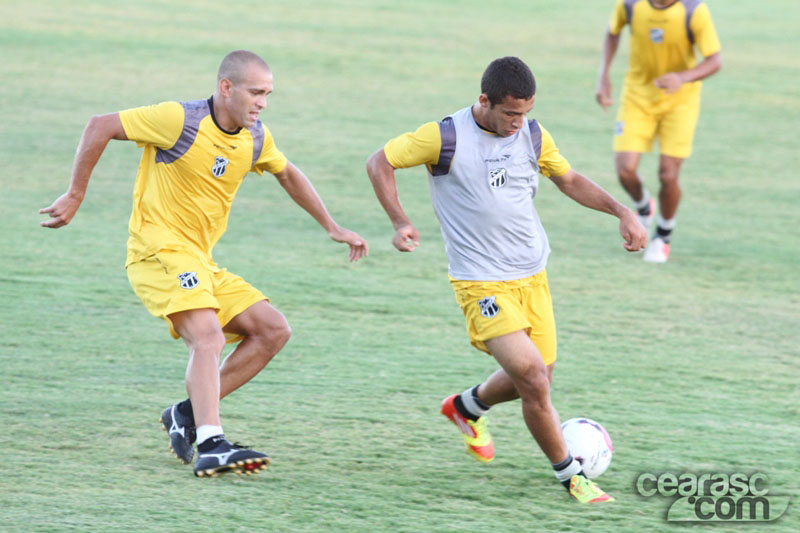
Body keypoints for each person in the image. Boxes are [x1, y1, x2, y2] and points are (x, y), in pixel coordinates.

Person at [40, 50, 368, 477]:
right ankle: (212, 443)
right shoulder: (179, 119)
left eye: (268, 94)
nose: (263, 103)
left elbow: (287, 172)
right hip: (157, 253)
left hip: (199, 261)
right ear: (226, 87)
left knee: (271, 329)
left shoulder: (254, 138)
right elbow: (100, 125)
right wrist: (75, 194)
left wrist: (332, 226)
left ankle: (186, 414)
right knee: (208, 336)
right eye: (256, 92)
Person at [366, 56, 647, 503]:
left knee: (537, 379)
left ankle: (465, 407)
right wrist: (400, 221)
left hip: (533, 276)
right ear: (484, 101)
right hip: (481, 283)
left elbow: (569, 179)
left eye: (526, 112)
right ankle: (571, 475)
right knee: (533, 378)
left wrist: (622, 211)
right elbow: (379, 161)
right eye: (510, 113)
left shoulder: (533, 135)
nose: (519, 122)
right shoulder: (446, 136)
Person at [595, 0, 722, 263]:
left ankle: (663, 235)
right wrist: (603, 75)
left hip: (680, 101)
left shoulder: (693, 10)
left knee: (668, 174)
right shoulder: (630, 5)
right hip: (638, 96)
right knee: (625, 169)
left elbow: (715, 60)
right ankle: (644, 205)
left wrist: (682, 78)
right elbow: (612, 32)